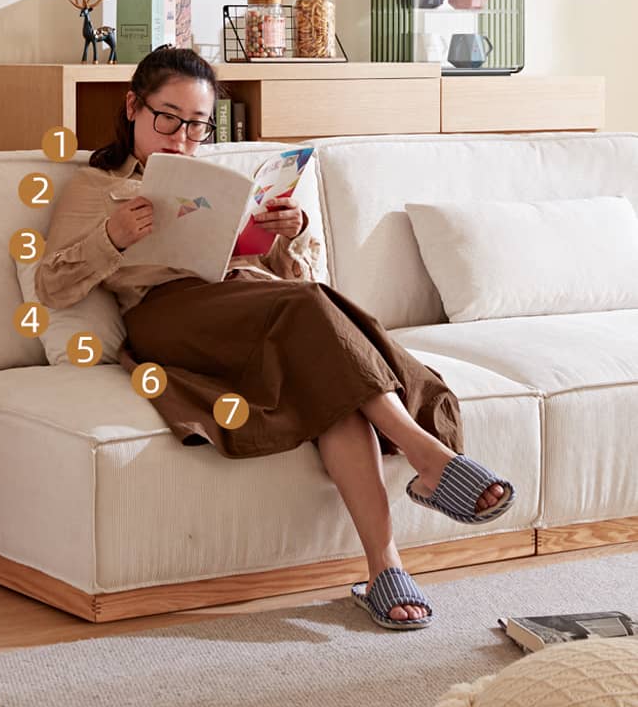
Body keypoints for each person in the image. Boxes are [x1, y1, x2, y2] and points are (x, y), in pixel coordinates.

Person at [36, 46, 516, 631]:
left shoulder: (221, 182)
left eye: (197, 125)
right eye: (168, 117)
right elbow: (52, 283)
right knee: (312, 315)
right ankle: (427, 453)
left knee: (333, 391)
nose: (182, 137)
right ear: (133, 106)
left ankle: (383, 565)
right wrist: (112, 235)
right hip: (168, 316)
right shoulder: (93, 185)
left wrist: (286, 237)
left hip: (250, 306)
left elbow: (298, 284)